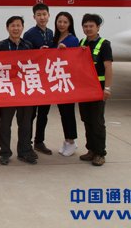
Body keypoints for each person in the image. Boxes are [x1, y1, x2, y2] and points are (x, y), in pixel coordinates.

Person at [0, 16, 37, 165]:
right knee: (5, 124)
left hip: (25, 91)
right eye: (13, 25)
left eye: (18, 25)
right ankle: (5, 153)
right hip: (7, 91)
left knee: (25, 124)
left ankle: (24, 151)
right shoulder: (0, 46)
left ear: (22, 28)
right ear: (7, 28)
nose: (16, 28)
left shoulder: (29, 45)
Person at [78, 13, 113, 167]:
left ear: (98, 27)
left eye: (91, 26)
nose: (88, 29)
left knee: (97, 121)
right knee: (87, 120)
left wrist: (107, 88)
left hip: (98, 89)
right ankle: (91, 149)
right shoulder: (82, 42)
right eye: (85, 26)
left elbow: (108, 67)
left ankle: (100, 153)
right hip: (84, 89)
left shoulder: (104, 44)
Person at [23, 3, 54, 155]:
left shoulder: (50, 33)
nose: (42, 18)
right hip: (34, 79)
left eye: (44, 14)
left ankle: (39, 141)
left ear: (49, 15)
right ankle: (27, 143)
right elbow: (25, 56)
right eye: (39, 15)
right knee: (31, 114)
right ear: (34, 17)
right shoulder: (29, 34)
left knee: (43, 114)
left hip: (47, 79)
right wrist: (38, 52)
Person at [52, 11, 79, 157]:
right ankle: (67, 141)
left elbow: (74, 60)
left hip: (67, 82)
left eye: (65, 22)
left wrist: (65, 51)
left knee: (68, 113)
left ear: (70, 24)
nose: (62, 24)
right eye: (59, 21)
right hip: (58, 82)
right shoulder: (55, 38)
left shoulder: (72, 40)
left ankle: (71, 141)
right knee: (63, 113)